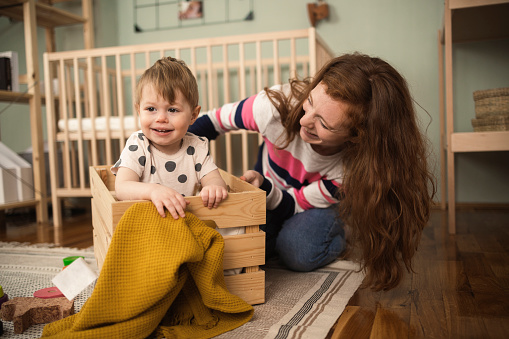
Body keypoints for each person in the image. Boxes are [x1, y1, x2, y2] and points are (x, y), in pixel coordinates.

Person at [188, 52, 436, 291]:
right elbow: (211, 122)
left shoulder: (350, 171)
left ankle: (339, 230)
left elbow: (293, 204)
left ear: (357, 136)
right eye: (309, 103)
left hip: (306, 204)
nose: (304, 122)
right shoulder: (273, 107)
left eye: (324, 124)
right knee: (236, 249)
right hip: (267, 188)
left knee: (298, 251)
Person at [112, 57, 239, 237]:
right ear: (138, 110)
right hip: (148, 225)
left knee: (233, 221)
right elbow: (122, 187)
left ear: (193, 115)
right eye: (151, 109)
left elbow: (213, 179)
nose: (161, 118)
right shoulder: (138, 144)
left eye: (172, 110)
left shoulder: (196, 147)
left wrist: (213, 188)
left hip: (186, 222)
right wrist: (152, 191)